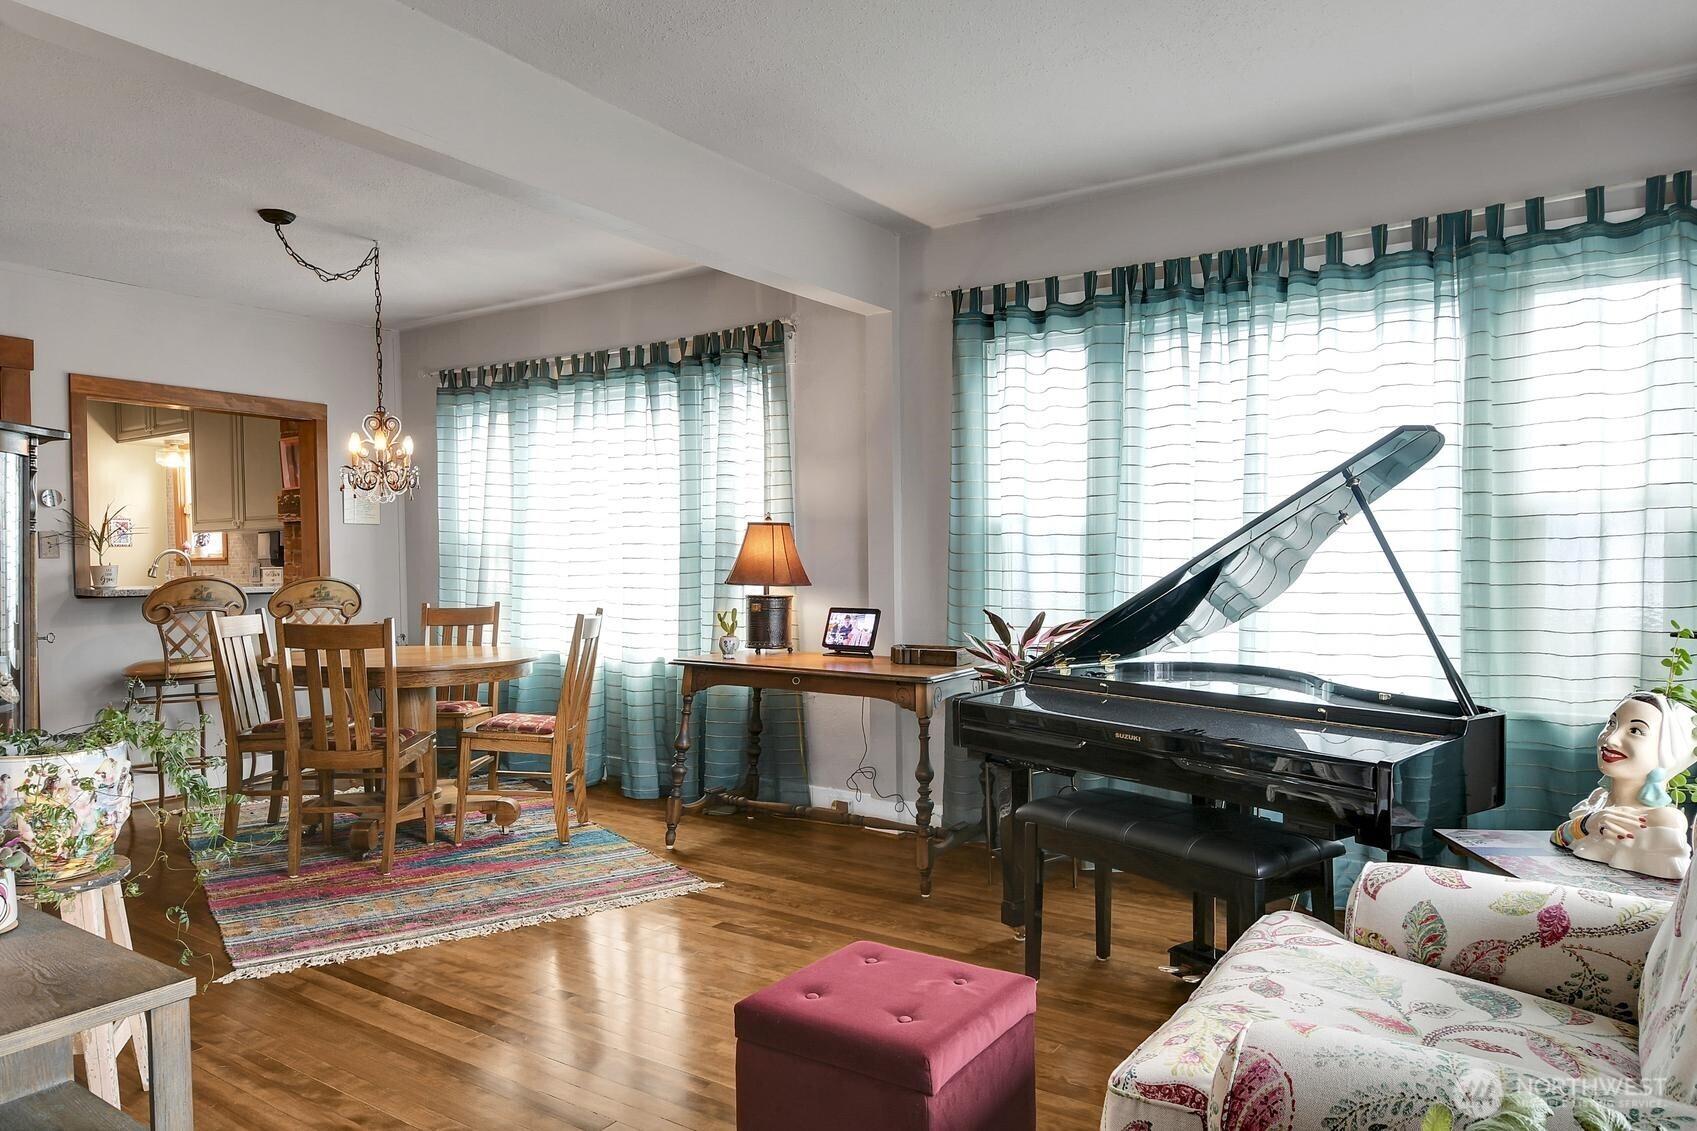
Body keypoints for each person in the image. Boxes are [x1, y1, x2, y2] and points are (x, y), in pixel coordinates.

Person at [1552, 690, 1695, 879]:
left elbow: (1672, 871)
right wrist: (1588, 823)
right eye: (1612, 723)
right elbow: (1558, 837)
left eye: (1635, 731)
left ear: (1668, 750)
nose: (1610, 739)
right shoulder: (1598, 798)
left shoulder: (1663, 819)